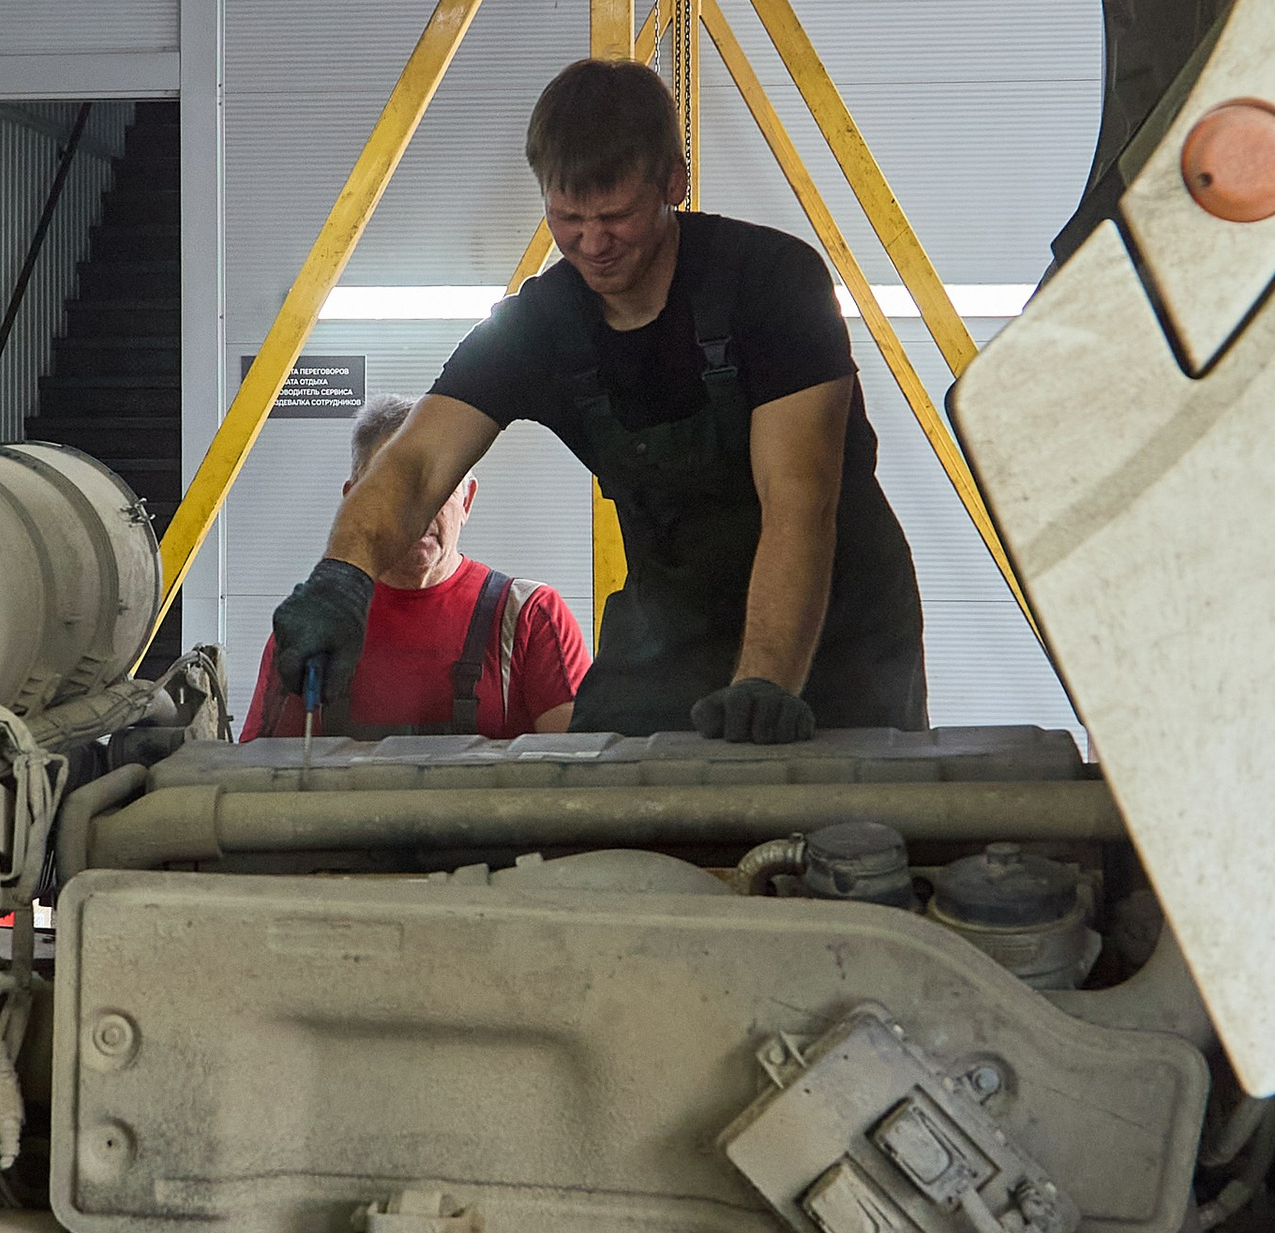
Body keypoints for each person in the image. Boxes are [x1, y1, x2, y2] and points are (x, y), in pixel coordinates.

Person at [269, 59, 926, 742]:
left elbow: (800, 500)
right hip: (672, 627)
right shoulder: (540, 325)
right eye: (567, 216)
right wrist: (341, 575)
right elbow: (415, 466)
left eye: (615, 215)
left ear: (674, 178)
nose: (591, 243)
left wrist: (764, 681)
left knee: (840, 820)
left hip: (831, 627)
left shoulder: (775, 285)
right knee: (608, 798)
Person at [244, 391, 588, 739]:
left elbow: (579, 779)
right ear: (354, 501)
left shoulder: (529, 618)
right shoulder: (314, 631)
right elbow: (260, 780)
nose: (419, 507)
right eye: (394, 489)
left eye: (442, 485)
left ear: (466, 500)